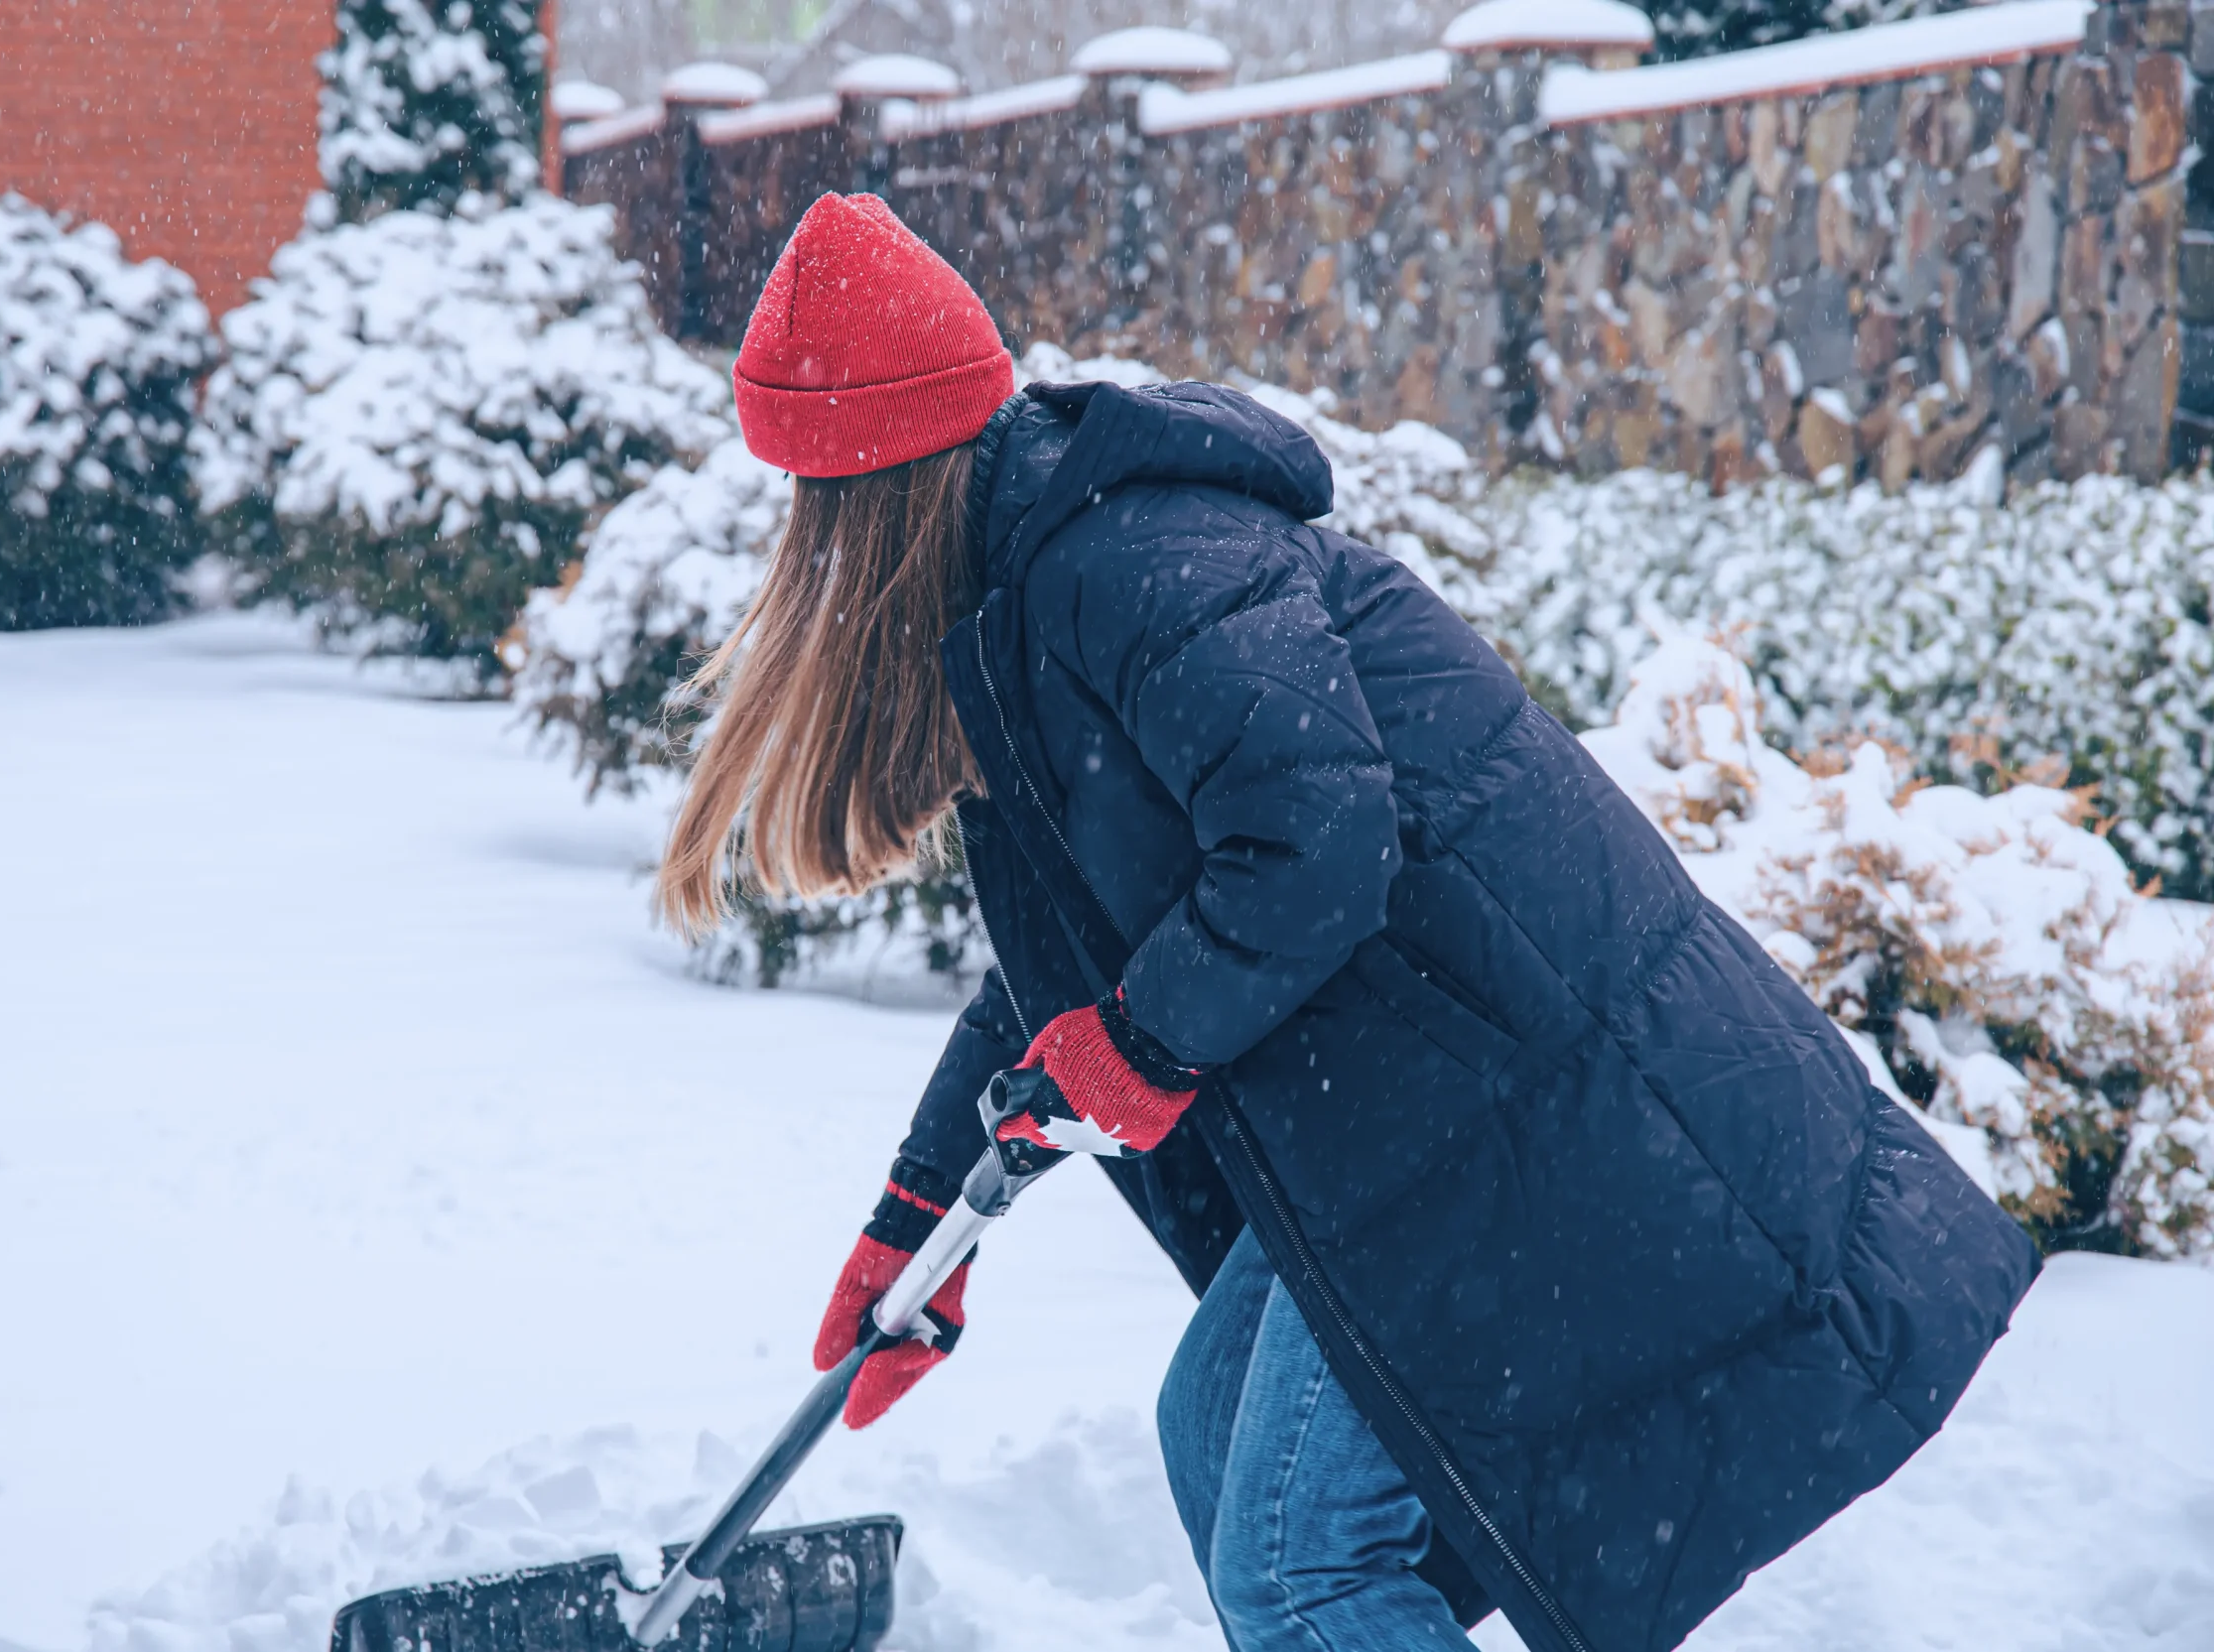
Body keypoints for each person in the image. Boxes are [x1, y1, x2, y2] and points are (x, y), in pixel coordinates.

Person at [657, 191, 2038, 1652]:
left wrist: (1142, 1045)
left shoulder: (1128, 564)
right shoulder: (1035, 589)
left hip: (1514, 1113)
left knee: (1302, 1559)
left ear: (866, 499)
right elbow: (1074, 965)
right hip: (1415, 1117)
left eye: (807, 508)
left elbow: (1316, 840)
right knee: (1215, 1446)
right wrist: (922, 1206)